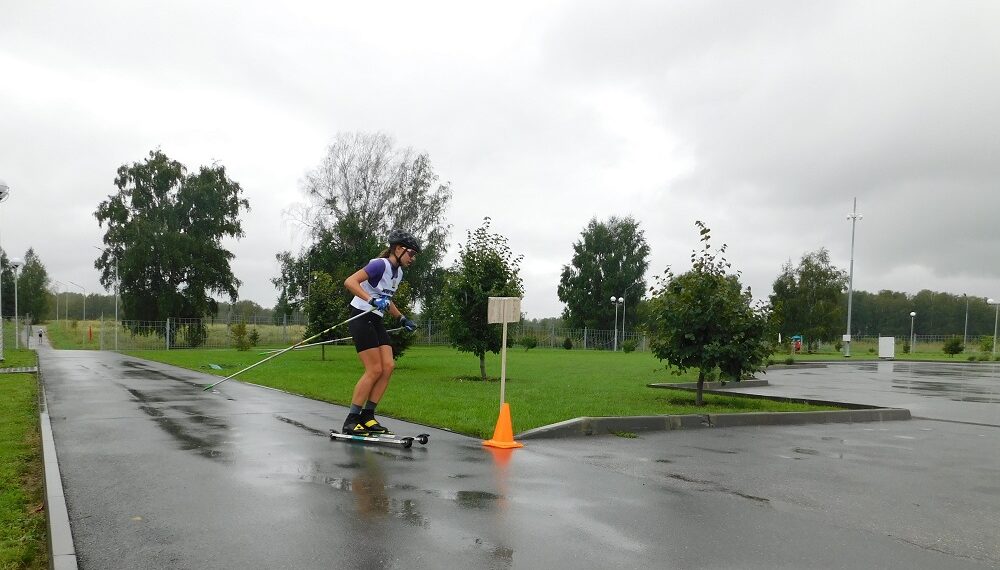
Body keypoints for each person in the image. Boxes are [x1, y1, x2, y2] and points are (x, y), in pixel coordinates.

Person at [341, 229, 420, 436]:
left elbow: (387, 298)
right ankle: (351, 420)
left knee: (388, 366)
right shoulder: (379, 264)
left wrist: (401, 318)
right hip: (360, 316)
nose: (413, 258)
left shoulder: (398, 273)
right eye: (411, 253)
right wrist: (371, 300)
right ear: (399, 249)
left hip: (375, 320)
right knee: (374, 369)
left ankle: (367, 416)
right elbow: (350, 281)